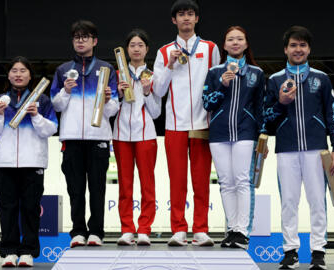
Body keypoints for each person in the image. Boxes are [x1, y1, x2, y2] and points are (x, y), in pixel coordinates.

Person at [264, 26, 334, 270]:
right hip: (286, 149)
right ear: (285, 49)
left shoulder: (321, 78)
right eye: (293, 45)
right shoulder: (275, 80)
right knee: (288, 201)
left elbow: (333, 114)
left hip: (316, 150)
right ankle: (290, 251)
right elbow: (265, 118)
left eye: (303, 45)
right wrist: (280, 102)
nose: (298, 50)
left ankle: (318, 252)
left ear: (309, 49)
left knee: (318, 201)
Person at [0, 56, 58, 267]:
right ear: (8, 75)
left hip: (33, 163)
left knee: (31, 209)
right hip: (4, 164)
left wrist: (36, 116)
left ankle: (28, 252)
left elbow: (51, 129)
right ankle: (9, 252)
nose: (18, 74)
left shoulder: (42, 100)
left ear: (30, 75)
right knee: (7, 209)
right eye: (14, 70)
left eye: (23, 70)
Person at [153, 0, 220, 246]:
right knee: (177, 180)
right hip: (175, 125)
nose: (186, 19)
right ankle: (179, 229)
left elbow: (217, 84)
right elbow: (158, 90)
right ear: (174, 20)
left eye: (190, 14)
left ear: (197, 18)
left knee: (202, 179)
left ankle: (201, 228)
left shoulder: (210, 48)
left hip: (203, 123)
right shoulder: (163, 52)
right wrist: (170, 64)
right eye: (181, 15)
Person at [50, 20, 118, 247]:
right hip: (71, 138)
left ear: (94, 41)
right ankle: (78, 231)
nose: (81, 40)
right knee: (75, 188)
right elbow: (56, 106)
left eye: (85, 36)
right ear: (73, 41)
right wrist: (66, 91)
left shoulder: (106, 69)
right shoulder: (62, 71)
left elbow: (113, 109)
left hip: (98, 138)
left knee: (97, 188)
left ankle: (96, 232)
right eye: (77, 37)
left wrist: (108, 100)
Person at [203, 26, 266, 249]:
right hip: (219, 133)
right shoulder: (214, 72)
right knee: (225, 183)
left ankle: (242, 231)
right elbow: (207, 103)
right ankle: (231, 229)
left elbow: (261, 107)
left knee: (242, 180)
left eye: (240, 39)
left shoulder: (256, 73)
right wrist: (223, 84)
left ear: (246, 44)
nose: (235, 43)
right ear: (224, 45)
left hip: (245, 132)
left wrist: (262, 136)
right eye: (231, 39)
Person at [113, 29, 161, 246]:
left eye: (140, 45)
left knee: (147, 183)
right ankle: (126, 229)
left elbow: (156, 113)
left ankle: (144, 229)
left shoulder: (152, 75)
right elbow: (110, 110)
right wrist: (120, 95)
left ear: (147, 49)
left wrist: (148, 91)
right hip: (121, 134)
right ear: (126, 50)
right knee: (125, 184)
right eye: (132, 45)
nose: (136, 48)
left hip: (146, 134)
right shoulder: (116, 74)